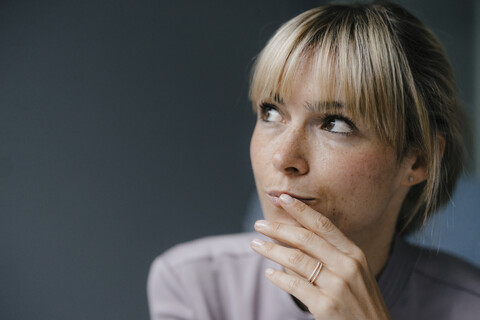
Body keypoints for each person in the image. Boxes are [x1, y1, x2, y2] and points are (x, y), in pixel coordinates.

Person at [147, 1, 480, 319]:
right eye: (271, 112)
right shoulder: (193, 283)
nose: (283, 157)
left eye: (335, 123)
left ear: (418, 160)